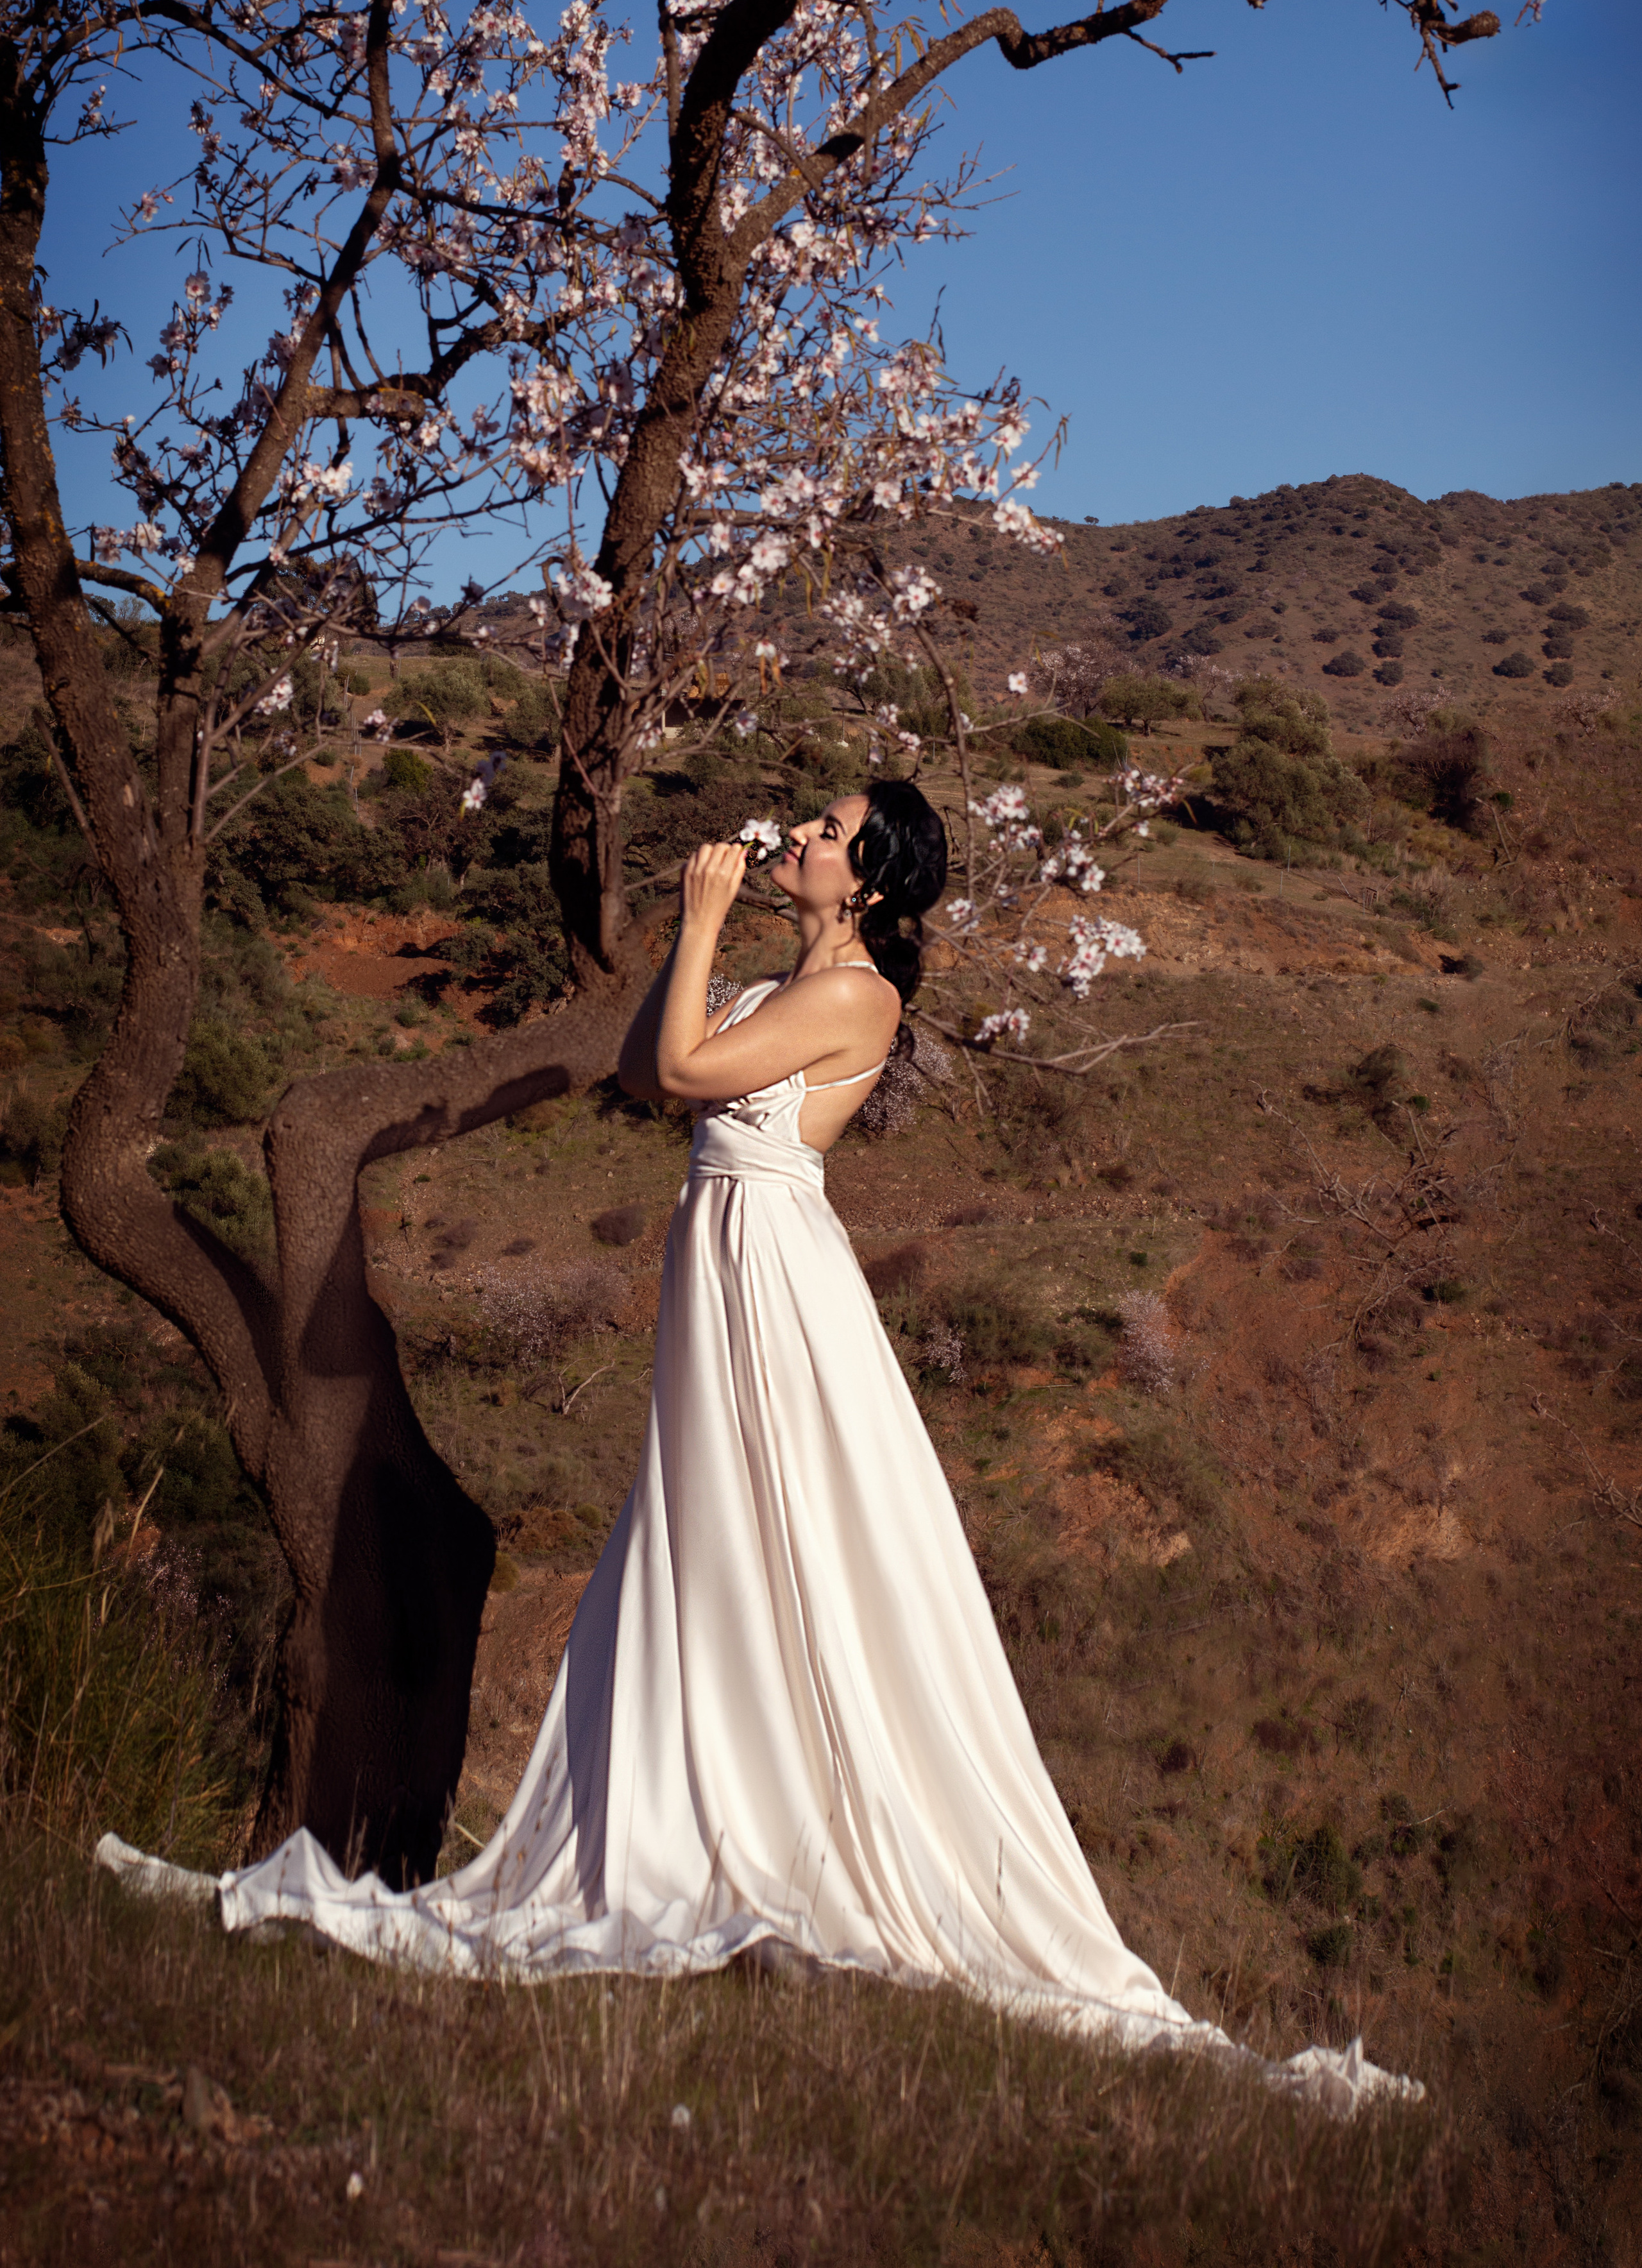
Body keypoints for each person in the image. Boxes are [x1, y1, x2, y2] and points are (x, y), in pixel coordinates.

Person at [97, 780, 1415, 2110]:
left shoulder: (857, 999)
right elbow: (640, 1071)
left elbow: (683, 1077)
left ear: (871, 884)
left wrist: (700, 917)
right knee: (707, 1531)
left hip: (776, 1279)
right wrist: (700, 944)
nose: (801, 837)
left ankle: (791, 1833)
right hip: (717, 1263)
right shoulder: (775, 988)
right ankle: (712, 1799)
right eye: (812, 823)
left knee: (782, 1531)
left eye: (830, 834)